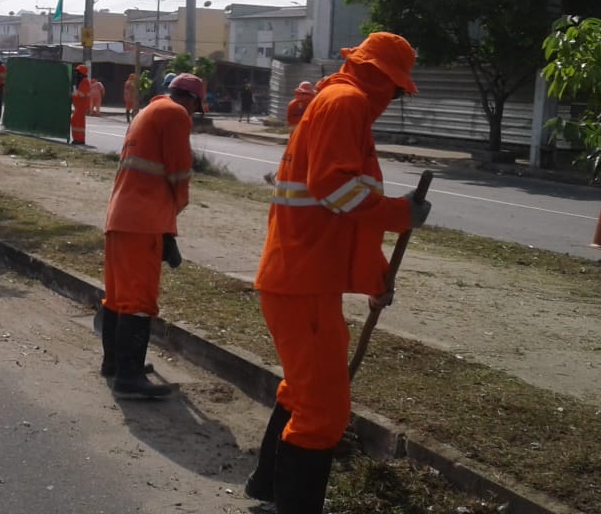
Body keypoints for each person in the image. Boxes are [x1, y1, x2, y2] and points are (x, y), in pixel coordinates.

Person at [244, 32, 432, 513]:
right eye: (395, 90)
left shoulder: (338, 104)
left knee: (302, 393)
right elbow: (336, 191)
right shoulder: (345, 103)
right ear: (381, 79)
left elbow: (343, 221)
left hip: (303, 279)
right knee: (324, 411)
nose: (393, 101)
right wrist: (399, 214)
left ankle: (268, 486)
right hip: (302, 282)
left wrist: (377, 279)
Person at [99, 73, 205, 399]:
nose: (193, 115)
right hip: (143, 221)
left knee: (118, 297)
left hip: (120, 217)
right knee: (139, 301)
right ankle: (129, 379)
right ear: (190, 101)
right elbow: (179, 171)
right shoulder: (175, 115)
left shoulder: (147, 111)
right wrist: (174, 214)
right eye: (195, 108)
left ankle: (115, 364)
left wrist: (167, 234)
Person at [69, 64, 93, 145]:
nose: (76, 74)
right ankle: (77, 139)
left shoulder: (84, 81)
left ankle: (79, 140)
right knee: (75, 122)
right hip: (79, 107)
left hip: (81, 107)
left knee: (78, 123)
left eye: (78, 72)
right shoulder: (81, 81)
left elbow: (82, 94)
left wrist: (73, 93)